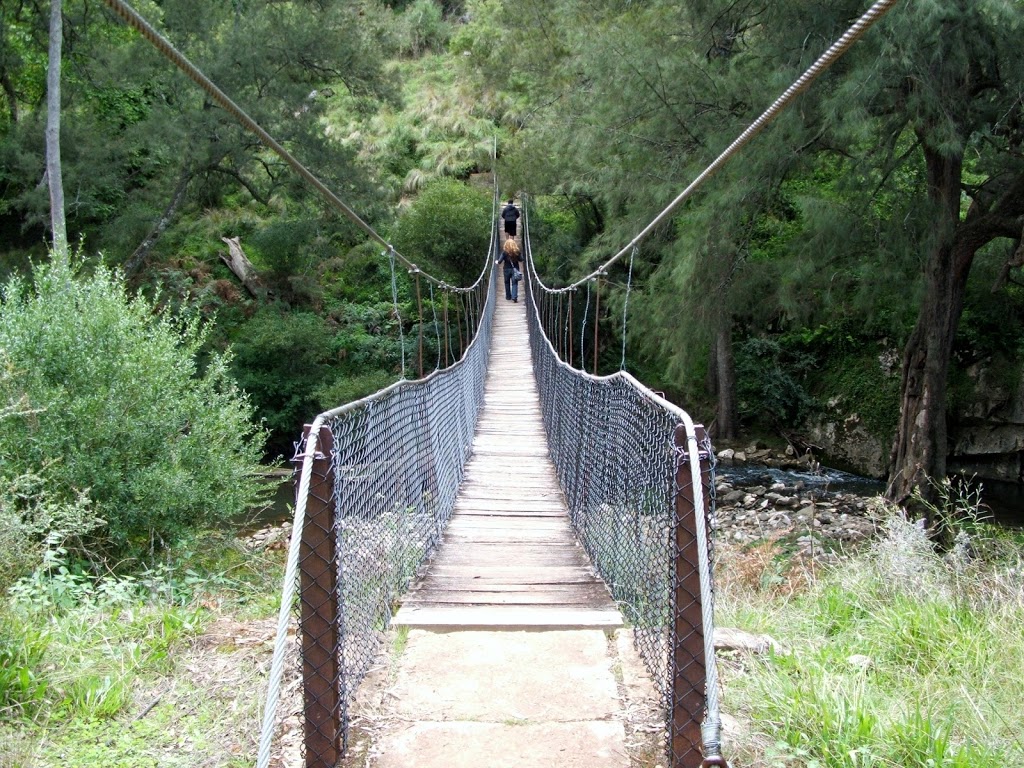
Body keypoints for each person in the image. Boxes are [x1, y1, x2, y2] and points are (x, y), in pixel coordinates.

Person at [496, 237, 522, 302]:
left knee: (507, 283)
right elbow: (521, 259)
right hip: (515, 270)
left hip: (506, 270)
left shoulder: (504, 252)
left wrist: (496, 262)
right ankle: (514, 297)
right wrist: (518, 256)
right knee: (514, 283)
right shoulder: (517, 252)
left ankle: (508, 297)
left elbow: (499, 261)